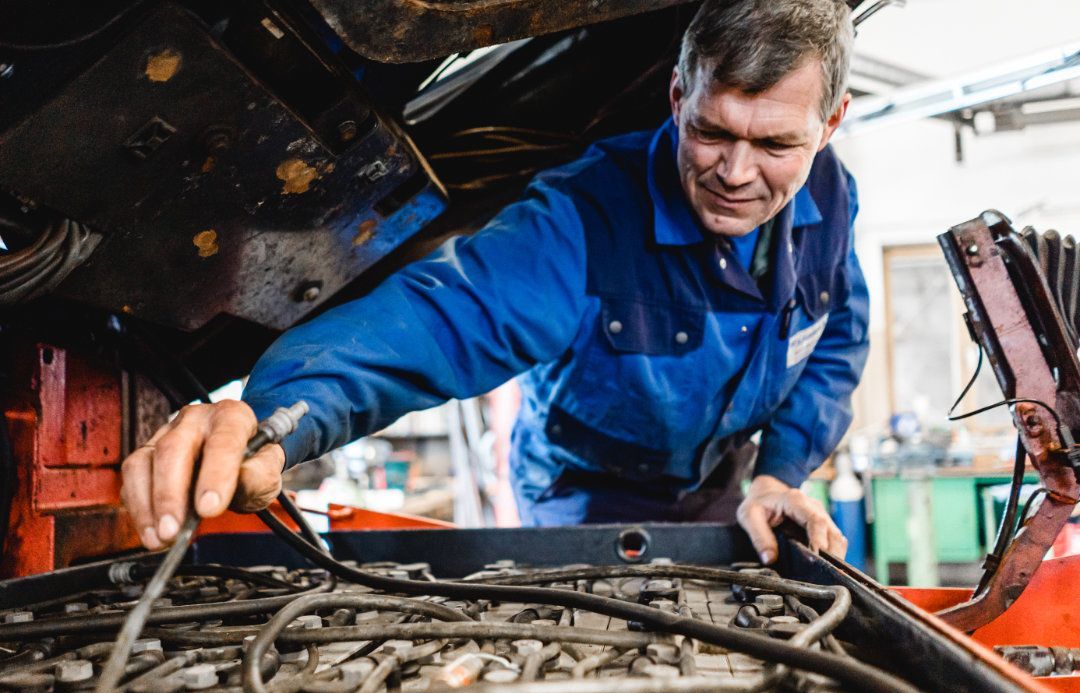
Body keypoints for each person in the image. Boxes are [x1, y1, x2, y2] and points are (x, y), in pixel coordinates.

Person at [121, 0, 868, 566]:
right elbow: (435, 321)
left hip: (732, 492)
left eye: (774, 143)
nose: (735, 174)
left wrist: (778, 474)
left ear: (829, 123)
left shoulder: (832, 199)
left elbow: (835, 340)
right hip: (583, 511)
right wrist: (267, 417)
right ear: (677, 98)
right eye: (710, 131)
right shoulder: (583, 220)